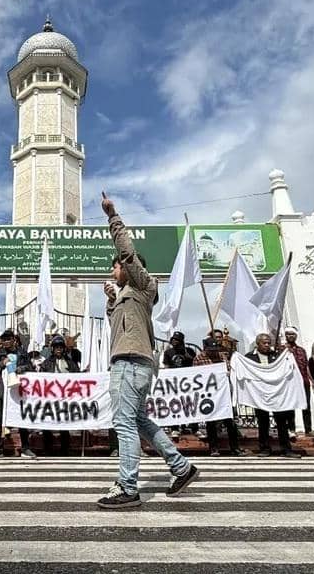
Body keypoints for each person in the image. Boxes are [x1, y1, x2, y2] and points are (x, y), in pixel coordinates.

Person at [96, 193, 197, 510]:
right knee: (139, 420)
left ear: (129, 268)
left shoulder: (143, 284)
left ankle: (128, 487)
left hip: (130, 363)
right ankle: (181, 467)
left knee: (124, 424)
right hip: (134, 362)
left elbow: (126, 250)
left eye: (116, 267)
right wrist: (112, 301)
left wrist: (112, 216)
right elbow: (120, 329)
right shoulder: (128, 296)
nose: (113, 271)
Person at [245, 333, 299, 458]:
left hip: (276, 394)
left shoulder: (276, 356)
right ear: (257, 344)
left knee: (281, 421)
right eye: (264, 343)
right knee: (263, 422)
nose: (267, 345)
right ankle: (264, 448)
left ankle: (286, 449)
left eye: (269, 343)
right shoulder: (249, 357)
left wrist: (287, 354)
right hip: (259, 395)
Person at [194, 337, 247, 457]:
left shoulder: (222, 356)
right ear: (205, 348)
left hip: (223, 394)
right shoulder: (198, 359)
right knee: (211, 422)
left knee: (230, 422)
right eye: (210, 350)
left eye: (215, 349)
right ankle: (214, 448)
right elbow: (197, 375)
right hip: (209, 394)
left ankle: (235, 447)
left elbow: (229, 369)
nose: (213, 352)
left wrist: (227, 372)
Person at [0, 329, 38, 459]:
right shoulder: (0, 353)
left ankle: (25, 448)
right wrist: (2, 363)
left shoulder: (22, 352)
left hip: (19, 391)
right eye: (4, 340)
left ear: (13, 340)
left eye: (8, 339)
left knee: (21, 418)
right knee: (1, 420)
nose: (6, 342)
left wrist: (21, 368)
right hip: (4, 391)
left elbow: (30, 367)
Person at [39, 335, 76, 455]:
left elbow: (77, 377)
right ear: (52, 349)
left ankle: (65, 449)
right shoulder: (46, 363)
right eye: (56, 347)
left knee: (64, 423)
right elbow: (40, 379)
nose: (58, 349)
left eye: (60, 347)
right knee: (47, 422)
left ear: (64, 348)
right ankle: (47, 449)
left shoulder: (70, 363)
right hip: (50, 398)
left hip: (65, 398)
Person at [163, 331, 200, 439]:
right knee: (174, 404)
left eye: (177, 340)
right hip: (174, 383)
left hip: (188, 383)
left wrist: (188, 357)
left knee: (191, 404)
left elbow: (195, 364)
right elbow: (166, 366)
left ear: (182, 341)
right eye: (173, 339)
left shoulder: (189, 351)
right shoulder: (168, 352)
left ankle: (194, 428)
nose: (175, 341)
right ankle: (175, 428)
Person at [279, 326, 314, 437]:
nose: (291, 336)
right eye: (288, 334)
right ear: (285, 335)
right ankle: (292, 429)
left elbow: (306, 366)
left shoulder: (301, 350)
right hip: (290, 382)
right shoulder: (281, 349)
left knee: (306, 405)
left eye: (293, 334)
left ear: (296, 335)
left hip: (304, 381)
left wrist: (312, 380)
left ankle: (308, 429)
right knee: (291, 406)